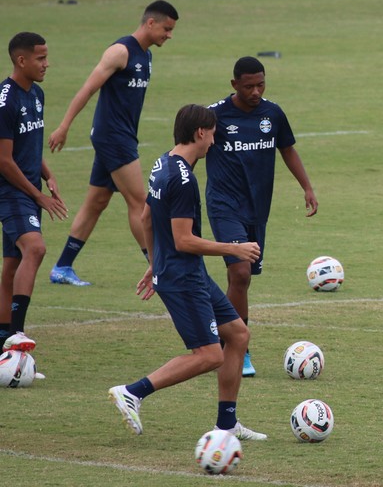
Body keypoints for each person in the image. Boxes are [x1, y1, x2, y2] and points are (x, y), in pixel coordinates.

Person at [109, 104, 266, 440]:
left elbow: (146, 219)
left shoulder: (162, 163)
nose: (213, 142)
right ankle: (133, 392)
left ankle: (227, 424)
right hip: (183, 278)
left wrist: (154, 263)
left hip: (182, 271)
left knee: (238, 336)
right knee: (209, 354)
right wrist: (234, 248)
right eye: (212, 135)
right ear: (200, 133)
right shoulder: (183, 180)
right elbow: (183, 240)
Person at [47, 0, 179, 287]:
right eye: (167, 29)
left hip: (122, 136)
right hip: (113, 138)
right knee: (139, 203)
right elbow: (88, 88)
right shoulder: (120, 52)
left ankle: (62, 267)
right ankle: (157, 267)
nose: (169, 35)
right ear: (150, 23)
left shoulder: (146, 56)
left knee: (97, 202)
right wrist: (64, 125)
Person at [205, 56, 318, 377]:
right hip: (224, 206)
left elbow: (288, 150)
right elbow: (192, 151)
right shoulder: (215, 115)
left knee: (244, 278)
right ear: (234, 85)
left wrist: (307, 187)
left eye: (261, 85)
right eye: (249, 86)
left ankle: (227, 336)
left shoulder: (273, 113)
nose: (256, 91)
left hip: (258, 209)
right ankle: (238, 347)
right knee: (239, 273)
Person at [0, 33, 68, 356]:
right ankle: (16, 334)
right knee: (36, 248)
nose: (46, 64)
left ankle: (3, 340)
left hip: (28, 186)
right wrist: (38, 196)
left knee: (12, 264)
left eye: (46, 57)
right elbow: (3, 160)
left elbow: (31, 144)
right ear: (21, 60)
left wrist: (49, 176)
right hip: (10, 189)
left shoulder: (36, 94)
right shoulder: (6, 100)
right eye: (40, 59)